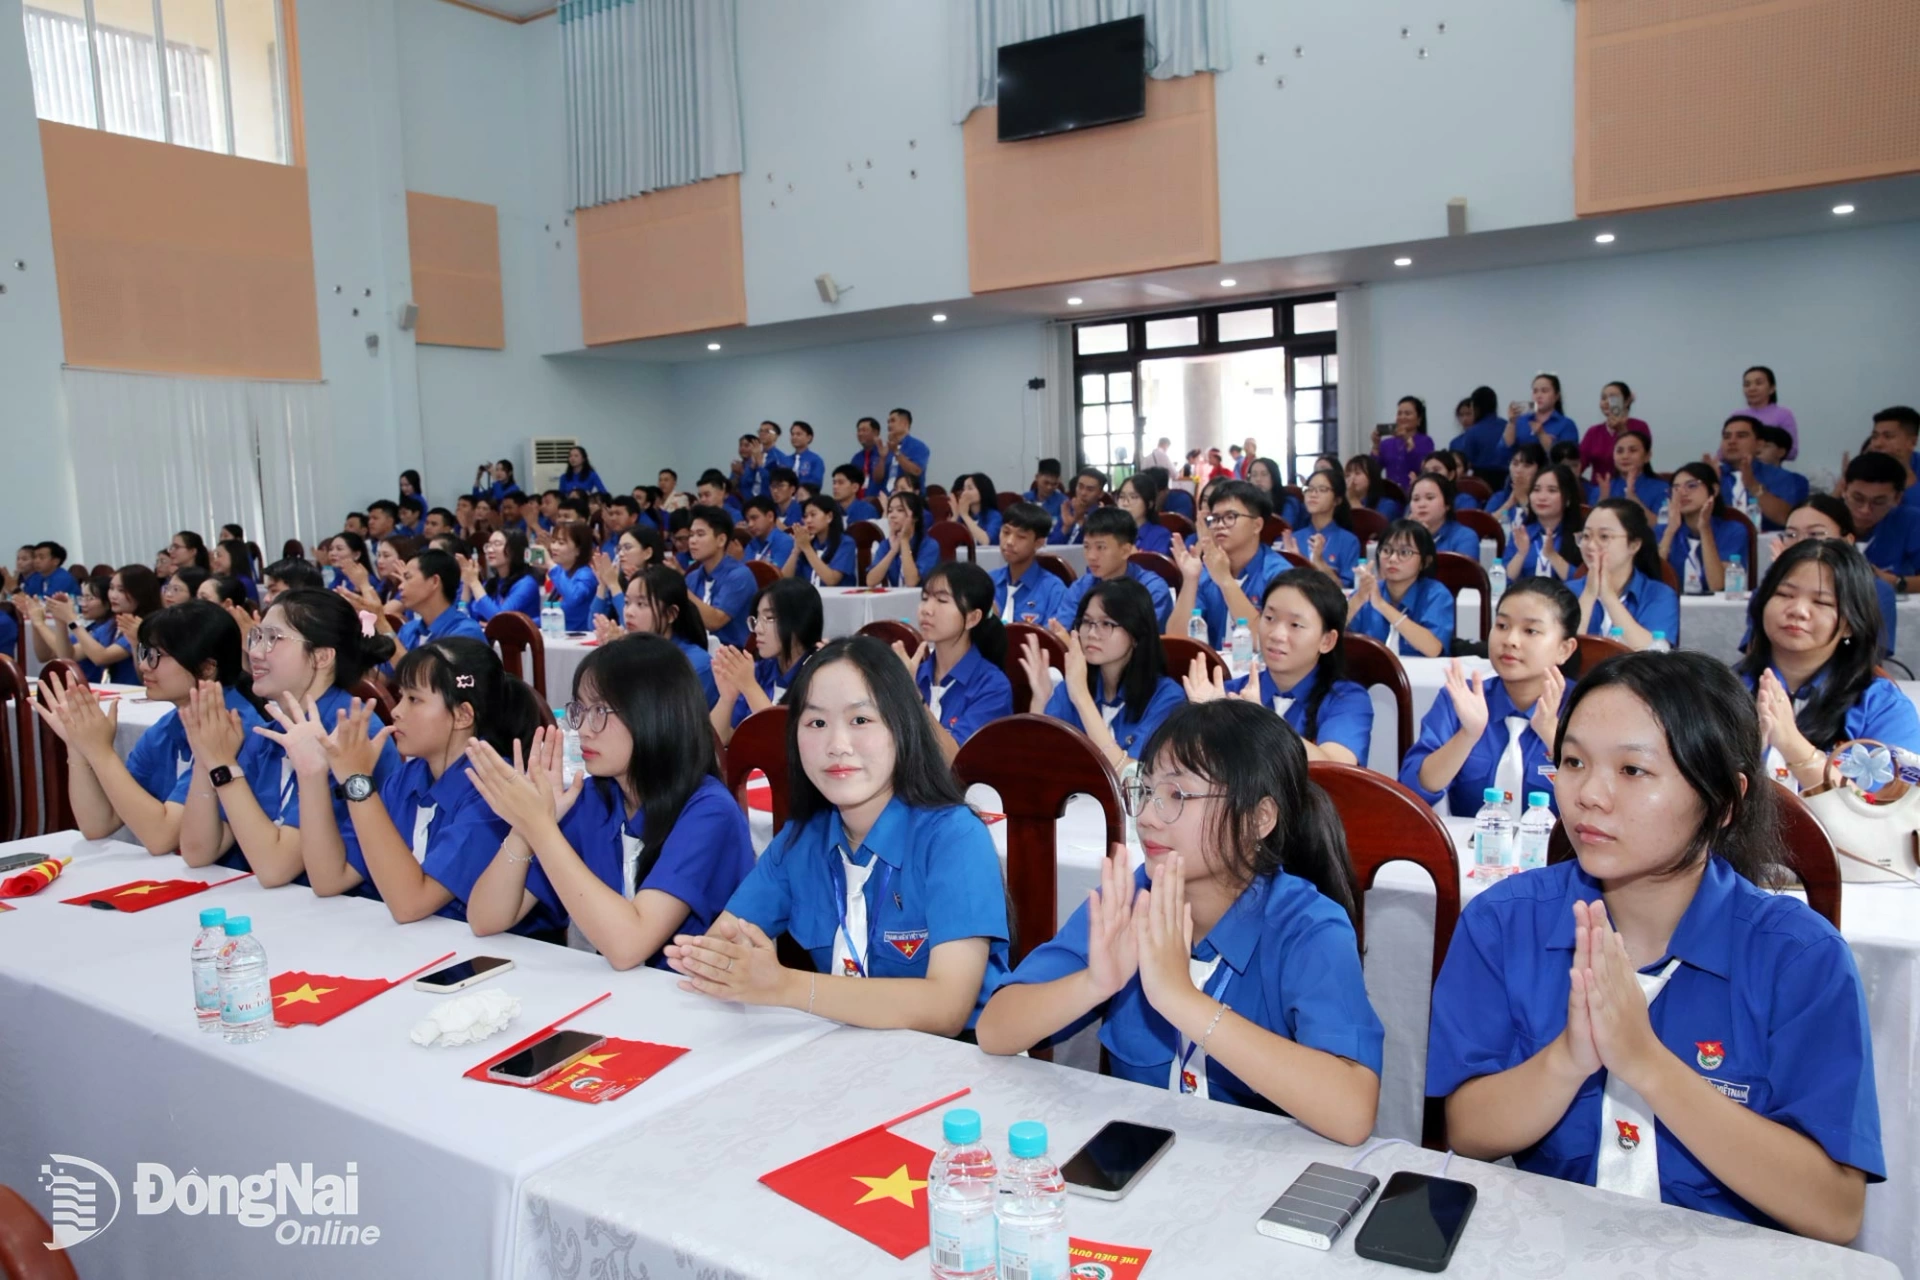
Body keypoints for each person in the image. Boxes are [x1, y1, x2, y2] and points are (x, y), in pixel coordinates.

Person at [1428, 651, 1880, 1242]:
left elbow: (1835, 1211)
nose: (1589, 794)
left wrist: (1647, 1064)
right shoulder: (1503, 922)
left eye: (1632, 771)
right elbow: (1466, 1130)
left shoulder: (1799, 958)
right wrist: (1568, 1059)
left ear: (1723, 800)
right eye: (1573, 761)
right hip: (1549, 1243)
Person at [978, 700, 1383, 1133]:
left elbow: (1353, 1113)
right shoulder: (1133, 898)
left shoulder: (1308, 928)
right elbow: (995, 1030)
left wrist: (1182, 1000)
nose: (1148, 818)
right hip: (1143, 1167)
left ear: (1257, 818)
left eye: (1178, 795)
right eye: (1146, 790)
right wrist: (1094, 982)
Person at [667, 637, 1010, 1033]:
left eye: (860, 720)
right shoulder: (800, 841)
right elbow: (724, 946)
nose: (836, 745)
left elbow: (946, 1008)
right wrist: (718, 963)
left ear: (903, 727)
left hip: (960, 1067)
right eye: (816, 723)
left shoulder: (954, 838)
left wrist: (785, 985)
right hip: (842, 1055)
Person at [463, 634, 753, 966]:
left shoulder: (708, 811)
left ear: (654, 713)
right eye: (580, 710)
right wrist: (524, 828)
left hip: (702, 1003)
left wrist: (541, 828)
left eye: (600, 710)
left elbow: (629, 946)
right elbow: (486, 919)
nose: (584, 729)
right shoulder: (593, 801)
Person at [285, 637, 553, 928]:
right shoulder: (408, 776)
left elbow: (411, 904)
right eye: (400, 696)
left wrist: (357, 782)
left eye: (414, 699)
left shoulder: (493, 790)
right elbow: (329, 878)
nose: (397, 710)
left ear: (462, 715)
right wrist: (311, 775)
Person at [181, 589, 402, 880]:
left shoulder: (350, 735)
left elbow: (276, 867)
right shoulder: (271, 729)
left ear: (321, 656)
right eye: (256, 637)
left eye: (272, 639)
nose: (256, 652)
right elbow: (198, 851)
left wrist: (223, 766)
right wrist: (205, 755)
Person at [34, 601, 277, 857]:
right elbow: (98, 824)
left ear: (207, 667)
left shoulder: (235, 729)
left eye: (156, 657)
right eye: (143, 653)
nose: (143, 667)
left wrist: (101, 752)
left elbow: (162, 837)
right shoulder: (168, 726)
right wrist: (78, 746)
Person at [1737, 539, 1920, 788]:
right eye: (1784, 594)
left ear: (1849, 623)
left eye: (1822, 602)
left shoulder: (1883, 706)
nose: (1798, 610)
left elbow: (1883, 811)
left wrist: (1792, 745)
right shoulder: (1720, 690)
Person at [1401, 578, 1580, 816]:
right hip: (1472, 850)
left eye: (1530, 631)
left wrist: (1551, 734)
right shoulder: (1462, 699)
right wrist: (1467, 735)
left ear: (1564, 649)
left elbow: (1601, 803)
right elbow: (1412, 791)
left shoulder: (1585, 708)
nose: (1510, 641)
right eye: (1502, 625)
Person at [1183, 569, 1373, 765]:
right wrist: (1203, 719)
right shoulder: (1230, 694)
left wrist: (1261, 721)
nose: (1276, 634)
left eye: (1295, 625)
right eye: (1269, 618)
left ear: (1327, 641)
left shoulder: (1346, 700)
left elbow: (1337, 770)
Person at [1023, 578, 1184, 765]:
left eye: (1107, 624)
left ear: (1136, 634)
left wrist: (1082, 698)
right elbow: (1038, 762)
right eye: (1087, 622)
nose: (1092, 633)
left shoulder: (1167, 698)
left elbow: (1132, 781)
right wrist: (1039, 703)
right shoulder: (1072, 687)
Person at [894, 561, 1013, 758]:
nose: (926, 609)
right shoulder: (918, 673)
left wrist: (913, 695)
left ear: (973, 618)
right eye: (924, 598)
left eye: (941, 601)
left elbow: (955, 760)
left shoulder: (992, 686)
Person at [1169, 480, 1284, 648]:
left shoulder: (1279, 575)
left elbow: (1268, 642)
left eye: (1230, 517)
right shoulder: (1206, 572)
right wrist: (1190, 580)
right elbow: (1177, 641)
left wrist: (1225, 580)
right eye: (1215, 519)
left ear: (1257, 525)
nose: (1219, 525)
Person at [1778, 496, 1898, 657]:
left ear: (1847, 540)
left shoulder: (1876, 591)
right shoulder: (1773, 587)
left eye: (1815, 533)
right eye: (1791, 535)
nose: (1801, 543)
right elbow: (1755, 651)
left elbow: (1871, 657)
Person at [591, 564, 720, 708]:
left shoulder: (694, 663)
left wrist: (622, 661)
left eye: (641, 604)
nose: (628, 612)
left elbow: (657, 718)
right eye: (627, 602)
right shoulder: (634, 649)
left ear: (671, 614)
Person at [711, 578, 822, 743]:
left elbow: (786, 743)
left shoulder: (819, 675)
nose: (757, 629)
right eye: (756, 619)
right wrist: (727, 698)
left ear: (800, 621)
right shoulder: (760, 670)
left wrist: (749, 687)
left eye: (769, 618)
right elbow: (717, 742)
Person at [1573, 500, 1681, 648]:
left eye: (1604, 536)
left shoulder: (1659, 595)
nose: (1590, 545)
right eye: (1586, 536)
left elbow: (1654, 654)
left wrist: (1609, 598)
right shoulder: (1564, 593)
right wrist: (1588, 595)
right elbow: (1559, 653)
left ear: (1634, 545)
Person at [1052, 508, 1174, 631]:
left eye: (1101, 547)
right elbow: (1062, 631)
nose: (1091, 556)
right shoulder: (1081, 587)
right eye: (1086, 547)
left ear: (1125, 551)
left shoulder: (1152, 589)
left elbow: (1146, 642)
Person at [1347, 520, 1455, 658]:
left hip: (1423, 677)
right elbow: (1331, 634)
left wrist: (1381, 605)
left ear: (1425, 562)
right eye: (1386, 550)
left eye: (1404, 552)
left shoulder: (1436, 595)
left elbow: (1433, 649)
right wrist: (1357, 600)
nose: (1392, 558)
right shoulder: (1366, 591)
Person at [1657, 462, 1746, 596]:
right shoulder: (1662, 531)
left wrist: (1705, 529)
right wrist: (1670, 531)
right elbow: (1652, 581)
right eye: (1676, 488)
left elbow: (1717, 585)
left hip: (1717, 611)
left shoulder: (1733, 530)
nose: (1682, 493)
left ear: (1714, 490)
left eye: (1691, 485)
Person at [1840, 451, 1920, 589]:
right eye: (1858, 498)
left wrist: (1895, 582)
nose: (1865, 510)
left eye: (1878, 502)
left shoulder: (1910, 521)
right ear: (1844, 490)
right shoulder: (1821, 517)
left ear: (1897, 498)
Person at [683, 505, 758, 647]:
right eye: (691, 535)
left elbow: (715, 621)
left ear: (721, 540)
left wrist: (681, 590)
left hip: (732, 653)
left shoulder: (740, 575)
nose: (692, 541)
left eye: (700, 534)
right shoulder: (692, 577)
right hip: (698, 649)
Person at [1716, 414, 1806, 530]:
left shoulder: (1781, 477)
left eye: (1741, 436)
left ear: (1759, 445)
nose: (1732, 441)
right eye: (1726, 437)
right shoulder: (1714, 475)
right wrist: (1711, 487)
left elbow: (1786, 518)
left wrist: (1753, 485)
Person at [990, 501, 1067, 626]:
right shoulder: (988, 582)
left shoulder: (1054, 590)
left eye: (1021, 536)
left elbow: (1053, 641)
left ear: (1039, 543)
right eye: (1006, 532)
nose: (1009, 542)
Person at [1282, 468, 1362, 588]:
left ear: (1337, 500)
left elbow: (1345, 590)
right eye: (1309, 489)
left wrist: (1320, 562)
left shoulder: (1349, 541)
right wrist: (1296, 560)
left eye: (1322, 489)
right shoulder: (1294, 539)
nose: (1313, 494)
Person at [1507, 464, 1585, 583]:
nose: (1542, 497)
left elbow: (1584, 582)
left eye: (1552, 490)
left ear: (1568, 498)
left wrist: (1552, 555)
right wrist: (1521, 554)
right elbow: (1503, 580)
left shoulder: (1582, 537)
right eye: (1536, 490)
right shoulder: (1522, 533)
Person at [1577, 381, 1651, 481]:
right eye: (1603, 398)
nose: (1607, 402)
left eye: (1613, 398)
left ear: (1627, 401)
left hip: (1633, 485)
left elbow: (1639, 458)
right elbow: (1580, 463)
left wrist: (1622, 429)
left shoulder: (1640, 426)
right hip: (1599, 490)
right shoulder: (1593, 431)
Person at [866, 492, 939, 589]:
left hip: (923, 599)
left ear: (915, 517)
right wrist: (893, 551)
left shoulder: (929, 545)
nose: (892, 515)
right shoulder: (886, 544)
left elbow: (911, 582)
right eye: (890, 511)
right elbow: (871, 581)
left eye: (900, 510)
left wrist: (904, 541)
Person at [464, 530, 539, 622]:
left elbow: (500, 619)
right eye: (488, 545)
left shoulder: (526, 584)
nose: (489, 550)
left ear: (514, 550)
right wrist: (467, 582)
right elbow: (466, 614)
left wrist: (474, 582)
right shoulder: (490, 583)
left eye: (497, 544)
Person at [780, 494, 855, 587]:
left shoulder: (846, 543)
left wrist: (806, 548)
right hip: (808, 598)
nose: (808, 520)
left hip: (837, 599)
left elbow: (831, 580)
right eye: (805, 516)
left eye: (813, 515)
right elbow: (783, 581)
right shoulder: (809, 542)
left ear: (829, 517)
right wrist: (796, 549)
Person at [1595, 428, 1668, 517]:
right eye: (1619, 451)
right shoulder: (1601, 490)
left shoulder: (1662, 489)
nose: (1625, 456)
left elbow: (1662, 527)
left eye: (1633, 450)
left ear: (1647, 456)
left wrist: (1632, 498)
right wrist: (1603, 500)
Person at [1408, 473, 1482, 559]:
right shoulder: (1403, 537)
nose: (1421, 505)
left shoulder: (1465, 537)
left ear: (1447, 504)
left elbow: (1464, 571)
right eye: (1416, 499)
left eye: (1430, 498)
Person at [1862, 405, 1920, 511]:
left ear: (1912, 442)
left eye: (1888, 436)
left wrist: (1907, 476)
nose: (1878, 444)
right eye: (1875, 437)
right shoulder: (1866, 467)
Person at [1503, 373, 1579, 454]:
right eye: (1535, 391)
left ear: (1557, 396)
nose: (1538, 396)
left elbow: (1566, 458)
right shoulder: (1521, 421)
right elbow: (1504, 452)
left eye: (1544, 391)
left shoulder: (1566, 424)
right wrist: (1511, 423)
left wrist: (1542, 435)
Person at [1735, 364, 1798, 459]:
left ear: (1772, 388)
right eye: (1747, 384)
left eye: (1758, 383)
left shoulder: (1783, 414)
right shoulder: (1737, 416)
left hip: (1770, 470)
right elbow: (1723, 451)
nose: (1752, 388)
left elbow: (1792, 451)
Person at [1448, 385, 1512, 477]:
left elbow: (1467, 462)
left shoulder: (1473, 431)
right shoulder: (1508, 426)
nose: (1465, 419)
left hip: (1481, 481)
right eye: (1461, 415)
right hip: (1509, 477)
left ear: (1475, 407)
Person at [1376, 396, 1434, 492]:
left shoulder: (1426, 441)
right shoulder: (1386, 443)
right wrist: (1375, 446)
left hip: (1415, 492)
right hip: (1390, 494)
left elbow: (1422, 469)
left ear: (1419, 419)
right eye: (1399, 413)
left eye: (1407, 414)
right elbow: (1374, 471)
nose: (1402, 417)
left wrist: (1408, 441)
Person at [1049, 467, 1108, 546]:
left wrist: (1080, 520)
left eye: (1090, 489)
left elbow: (1091, 547)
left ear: (1100, 494)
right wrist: (1066, 526)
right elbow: (1051, 545)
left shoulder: (1102, 517)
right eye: (1080, 487)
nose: (1083, 493)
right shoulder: (1068, 510)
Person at [1488, 441, 1547, 520]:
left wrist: (1523, 499)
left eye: (1527, 466)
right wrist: (1510, 503)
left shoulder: (1545, 498)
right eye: (1515, 464)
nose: (1518, 470)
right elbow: (1487, 525)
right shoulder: (1500, 497)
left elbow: (1542, 524)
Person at [1116, 472, 1171, 555]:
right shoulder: (1110, 531)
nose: (1125, 503)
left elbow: (1157, 567)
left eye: (1133, 497)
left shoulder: (1160, 535)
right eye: (1122, 497)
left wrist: (1136, 559)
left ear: (1149, 503)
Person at [878, 406, 930, 493]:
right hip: (887, 497)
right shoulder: (886, 447)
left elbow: (916, 471)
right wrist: (882, 458)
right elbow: (878, 479)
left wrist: (896, 452)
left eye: (893, 421)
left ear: (905, 424)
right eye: (888, 422)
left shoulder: (918, 446)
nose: (889, 425)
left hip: (911, 498)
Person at [1344, 454, 1401, 522]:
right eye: (1348, 475)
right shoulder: (1343, 503)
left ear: (1371, 477)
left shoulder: (1388, 505)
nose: (1351, 478)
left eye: (1357, 473)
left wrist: (1353, 500)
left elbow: (1368, 528)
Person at [740, 497, 796, 566]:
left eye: (754, 518)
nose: (750, 525)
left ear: (770, 516)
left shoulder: (785, 542)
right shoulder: (751, 544)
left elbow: (777, 575)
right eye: (747, 521)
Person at [950, 473, 1002, 547]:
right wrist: (955, 516)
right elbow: (949, 542)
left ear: (983, 491)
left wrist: (965, 515)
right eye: (964, 489)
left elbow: (986, 541)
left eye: (970, 488)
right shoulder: (962, 517)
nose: (964, 493)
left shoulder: (994, 516)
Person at [786, 421, 825, 491]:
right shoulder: (786, 460)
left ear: (809, 438)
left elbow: (816, 484)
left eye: (798, 434)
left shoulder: (815, 460)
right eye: (792, 434)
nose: (794, 437)